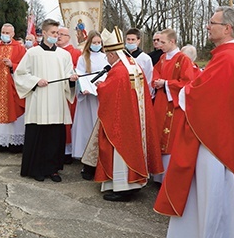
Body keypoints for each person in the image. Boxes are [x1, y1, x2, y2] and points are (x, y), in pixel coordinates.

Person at [153, 6, 234, 238]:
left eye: (212, 23)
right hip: (215, 137)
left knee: (215, 195)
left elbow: (204, 96)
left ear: (227, 29)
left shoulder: (229, 59)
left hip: (218, 143)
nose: (207, 26)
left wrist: (188, 91)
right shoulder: (229, 56)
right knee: (203, 193)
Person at [81, 28, 163, 200]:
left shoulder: (119, 70)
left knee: (121, 151)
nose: (106, 57)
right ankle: (132, 183)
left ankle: (123, 188)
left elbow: (109, 91)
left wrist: (100, 86)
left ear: (112, 54)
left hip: (123, 119)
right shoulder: (132, 65)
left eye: (106, 54)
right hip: (134, 117)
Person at [14, 19, 77, 182]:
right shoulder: (32, 53)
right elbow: (20, 74)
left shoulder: (64, 55)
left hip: (57, 101)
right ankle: (37, 169)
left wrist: (71, 80)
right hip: (39, 100)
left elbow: (69, 75)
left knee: (54, 137)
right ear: (44, 33)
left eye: (58, 33)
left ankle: (53, 169)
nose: (56, 36)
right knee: (39, 135)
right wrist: (35, 81)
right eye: (54, 33)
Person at [150, 28, 196, 184]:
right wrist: (156, 81)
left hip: (173, 104)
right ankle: (157, 175)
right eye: (159, 42)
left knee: (170, 138)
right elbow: (155, 72)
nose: (159, 45)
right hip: (161, 101)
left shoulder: (183, 59)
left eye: (163, 42)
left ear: (172, 41)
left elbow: (188, 82)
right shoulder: (163, 57)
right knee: (157, 134)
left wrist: (167, 84)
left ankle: (168, 177)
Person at [0, 24, 27, 152]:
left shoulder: (20, 49)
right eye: (3, 32)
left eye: (7, 32)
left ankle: (14, 143)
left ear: (13, 34)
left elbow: (26, 68)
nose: (5, 34)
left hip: (12, 88)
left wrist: (12, 65)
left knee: (14, 111)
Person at [72, 30, 109, 163]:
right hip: (88, 98)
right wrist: (83, 89)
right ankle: (83, 153)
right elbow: (80, 75)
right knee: (86, 125)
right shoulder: (83, 58)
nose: (97, 44)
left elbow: (108, 75)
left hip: (100, 97)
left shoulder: (106, 57)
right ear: (89, 43)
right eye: (94, 42)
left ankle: (99, 156)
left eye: (99, 42)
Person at [57, 26, 82, 164]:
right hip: (55, 91)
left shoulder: (76, 53)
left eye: (62, 34)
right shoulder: (52, 51)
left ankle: (68, 150)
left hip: (69, 93)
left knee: (67, 120)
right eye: (57, 34)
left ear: (69, 37)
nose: (59, 36)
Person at [124, 28, 154, 97]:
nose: (130, 42)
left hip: (139, 93)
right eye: (128, 39)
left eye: (133, 40)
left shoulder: (145, 59)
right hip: (125, 91)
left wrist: (148, 94)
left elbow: (149, 78)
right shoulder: (121, 57)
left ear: (138, 41)